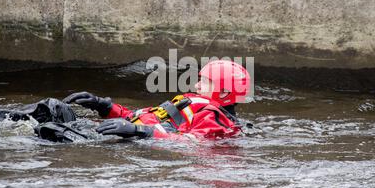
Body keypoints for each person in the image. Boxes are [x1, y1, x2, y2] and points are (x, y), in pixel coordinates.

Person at [63, 60, 251, 142]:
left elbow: (193, 142)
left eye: (205, 82)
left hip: (136, 139)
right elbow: (149, 117)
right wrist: (105, 106)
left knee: (52, 127)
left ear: (225, 93)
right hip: (129, 133)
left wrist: (139, 131)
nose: (197, 85)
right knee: (53, 111)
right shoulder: (192, 104)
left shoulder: (215, 118)